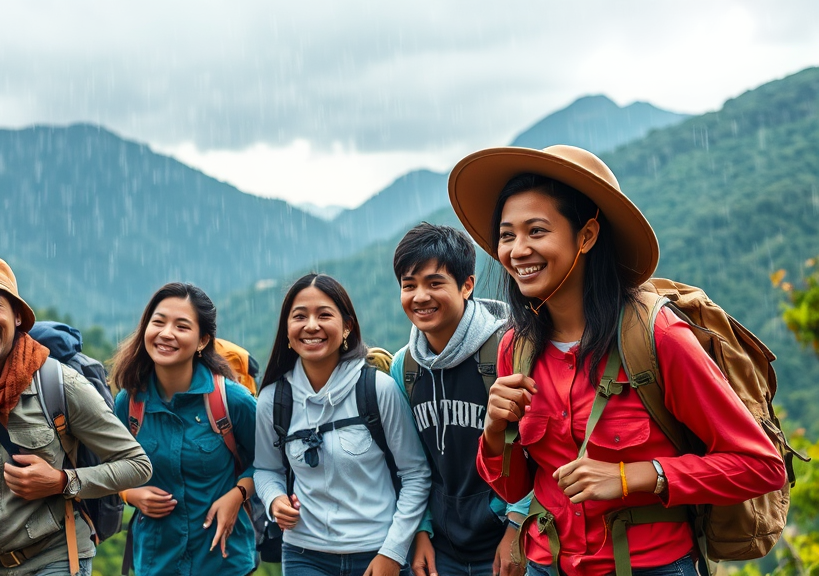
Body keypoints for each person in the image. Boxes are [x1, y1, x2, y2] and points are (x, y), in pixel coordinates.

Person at [446, 145, 786, 575]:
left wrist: (634, 476)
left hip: (651, 566)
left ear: (586, 236)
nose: (517, 250)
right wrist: (495, 431)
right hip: (546, 564)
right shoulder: (517, 346)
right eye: (507, 235)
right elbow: (515, 484)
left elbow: (761, 467)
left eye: (536, 231)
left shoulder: (657, 337)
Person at [0, 250, 153, 576]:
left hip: (57, 559)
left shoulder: (60, 384)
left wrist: (63, 482)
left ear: (18, 316)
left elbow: (137, 466)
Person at [254, 273, 431, 576]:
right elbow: (267, 469)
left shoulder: (377, 389)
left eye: (324, 315)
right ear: (287, 330)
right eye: (299, 317)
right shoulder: (274, 400)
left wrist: (393, 552)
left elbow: (415, 474)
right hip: (304, 555)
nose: (311, 326)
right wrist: (274, 501)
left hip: (378, 550)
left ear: (348, 326)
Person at [388, 222, 530, 576]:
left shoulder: (505, 348)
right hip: (443, 548)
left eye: (435, 283)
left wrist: (517, 525)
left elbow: (536, 448)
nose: (420, 296)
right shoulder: (403, 366)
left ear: (467, 285)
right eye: (409, 285)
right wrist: (421, 529)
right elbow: (414, 462)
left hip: (505, 536)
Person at [112, 282, 257, 576]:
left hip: (222, 561)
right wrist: (130, 495)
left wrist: (238, 495)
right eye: (159, 322)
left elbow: (270, 462)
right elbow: (111, 467)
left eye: (181, 326)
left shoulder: (231, 401)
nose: (166, 333)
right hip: (156, 561)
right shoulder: (129, 403)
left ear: (202, 340)